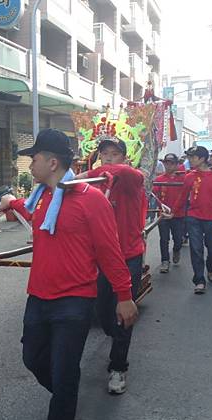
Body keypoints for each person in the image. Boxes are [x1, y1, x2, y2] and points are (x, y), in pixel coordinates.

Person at [0, 128, 137, 420]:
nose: (29, 165)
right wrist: (12, 202)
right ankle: (66, 394)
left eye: (33, 158)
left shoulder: (91, 199)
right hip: (39, 297)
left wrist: (124, 296)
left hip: (74, 301)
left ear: (51, 162)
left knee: (63, 373)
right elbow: (32, 212)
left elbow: (109, 252)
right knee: (33, 358)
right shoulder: (44, 196)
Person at [75, 136, 146, 395]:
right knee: (103, 312)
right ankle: (114, 335)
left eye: (115, 154)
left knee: (124, 314)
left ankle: (118, 366)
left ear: (125, 158)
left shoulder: (131, 178)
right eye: (104, 153)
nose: (108, 158)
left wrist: (88, 172)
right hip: (100, 258)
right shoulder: (93, 186)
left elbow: (124, 173)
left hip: (128, 255)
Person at [173, 146, 212, 294]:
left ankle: (211, 269)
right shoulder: (190, 176)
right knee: (196, 249)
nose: (190, 160)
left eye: (193, 157)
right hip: (193, 218)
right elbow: (183, 197)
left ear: (202, 159)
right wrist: (172, 211)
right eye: (189, 157)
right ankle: (199, 280)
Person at [153, 153, 185, 273]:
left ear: (177, 165)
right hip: (164, 215)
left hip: (178, 214)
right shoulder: (159, 179)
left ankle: (176, 250)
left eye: (171, 163)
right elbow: (153, 194)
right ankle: (165, 261)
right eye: (166, 163)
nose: (168, 165)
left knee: (178, 239)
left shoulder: (183, 178)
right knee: (164, 239)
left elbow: (184, 196)